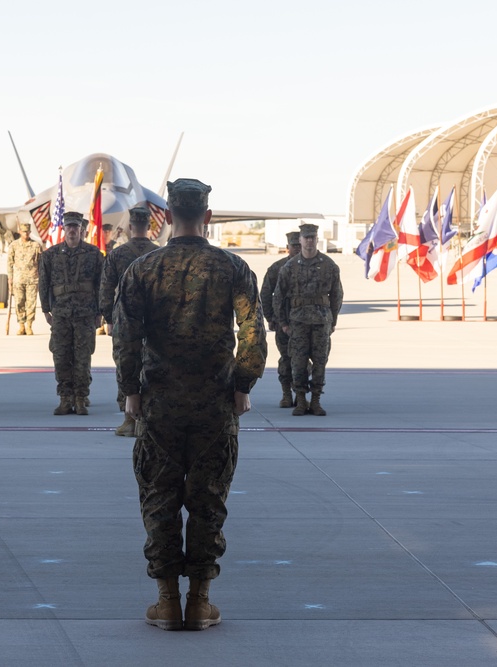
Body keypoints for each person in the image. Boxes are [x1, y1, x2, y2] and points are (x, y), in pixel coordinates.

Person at [113, 178, 267, 631]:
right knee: (208, 500)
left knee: (159, 499)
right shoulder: (232, 267)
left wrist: (131, 392)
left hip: (158, 405)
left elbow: (125, 338)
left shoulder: (142, 269)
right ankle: (199, 602)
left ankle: (167, 602)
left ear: (165, 217)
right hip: (214, 406)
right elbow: (253, 332)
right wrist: (243, 385)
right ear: (208, 216)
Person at [271, 223, 343, 416]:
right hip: (298, 323)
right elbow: (278, 296)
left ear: (317, 240)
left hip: (321, 322)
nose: (309, 241)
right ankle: (301, 401)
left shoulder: (329, 265)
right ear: (300, 240)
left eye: (312, 237)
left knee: (320, 362)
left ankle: (316, 401)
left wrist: (333, 321)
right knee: (298, 363)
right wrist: (283, 323)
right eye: (306, 238)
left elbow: (337, 295)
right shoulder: (289, 267)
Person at [99, 206, 158, 437]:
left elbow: (106, 288)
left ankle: (129, 419)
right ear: (149, 226)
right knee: (152, 367)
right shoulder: (159, 253)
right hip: (154, 321)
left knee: (126, 365)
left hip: (124, 321)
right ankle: (148, 419)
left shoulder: (117, 254)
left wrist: (108, 317)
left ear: (130, 226)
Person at [39, 211, 104, 416]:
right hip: (60, 314)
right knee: (61, 356)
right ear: (64, 229)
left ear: (81, 229)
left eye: (76, 226)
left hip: (85, 314)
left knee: (83, 357)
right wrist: (45, 310)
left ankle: (81, 398)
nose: (72, 230)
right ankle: (65, 398)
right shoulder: (50, 255)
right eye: (69, 226)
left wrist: (100, 312)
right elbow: (44, 284)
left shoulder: (94, 254)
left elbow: (101, 285)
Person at [259, 231, 302, 408]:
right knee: (286, 358)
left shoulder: (313, 267)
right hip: (283, 321)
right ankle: (286, 394)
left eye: (299, 245)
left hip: (305, 322)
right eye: (294, 246)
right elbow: (266, 294)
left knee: (303, 359)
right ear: (287, 247)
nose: (297, 249)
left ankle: (300, 394)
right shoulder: (277, 268)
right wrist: (270, 317)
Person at [6, 221, 43, 335]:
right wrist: (10, 278)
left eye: (27, 232)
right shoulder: (14, 245)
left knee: (31, 303)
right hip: (18, 280)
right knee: (19, 302)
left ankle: (29, 325)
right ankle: (21, 325)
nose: (26, 234)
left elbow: (41, 263)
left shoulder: (36, 245)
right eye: (23, 231)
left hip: (32, 279)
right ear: (19, 232)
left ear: (30, 232)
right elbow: (10, 263)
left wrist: (41, 278)